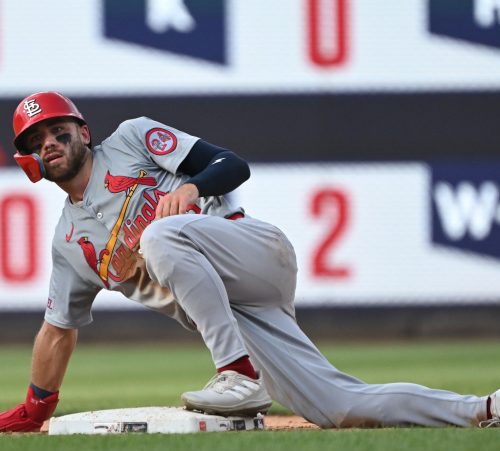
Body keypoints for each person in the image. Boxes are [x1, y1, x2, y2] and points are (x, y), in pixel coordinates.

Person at [0, 91, 498, 432]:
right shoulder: (69, 243)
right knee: (339, 407)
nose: (49, 142)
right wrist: (35, 407)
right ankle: (483, 408)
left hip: (251, 253)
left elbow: (232, 165)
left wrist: (193, 186)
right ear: (29, 162)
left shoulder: (132, 139)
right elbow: (57, 329)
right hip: (236, 318)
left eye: (57, 129)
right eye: (34, 141)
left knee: (159, 236)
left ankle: (236, 374)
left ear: (82, 131)